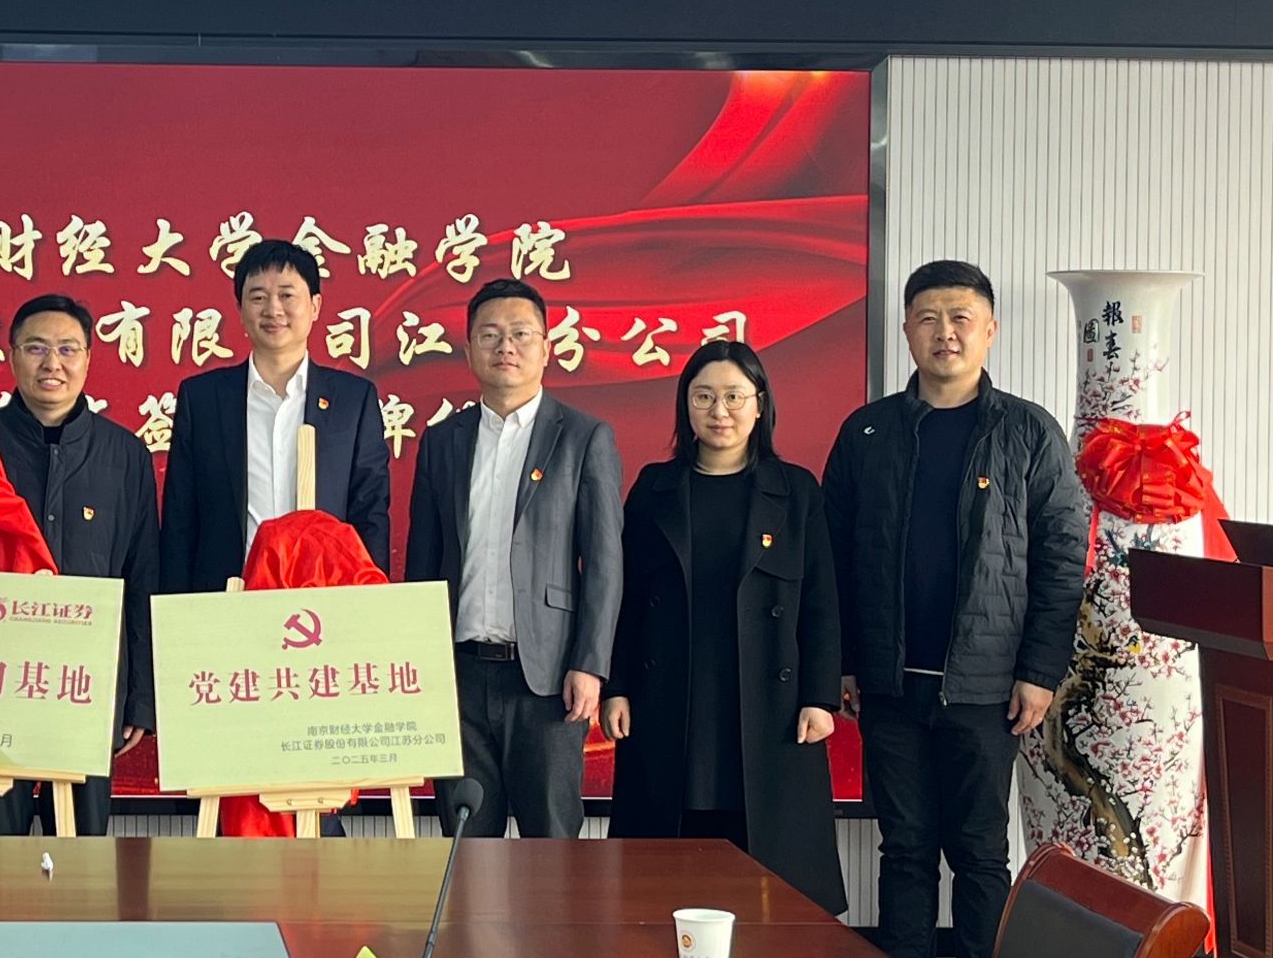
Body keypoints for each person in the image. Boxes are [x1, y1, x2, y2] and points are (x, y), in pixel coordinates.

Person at [825, 260, 1085, 958]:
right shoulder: (868, 432)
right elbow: (834, 558)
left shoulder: (1029, 432)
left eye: (960, 318)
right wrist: (842, 661)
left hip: (987, 687)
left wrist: (1039, 671)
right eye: (929, 318)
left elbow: (1063, 561)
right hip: (889, 683)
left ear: (989, 330)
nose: (945, 332)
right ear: (907, 330)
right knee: (905, 847)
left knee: (979, 851)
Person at [603, 340, 846, 914]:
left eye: (735, 396)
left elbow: (821, 601)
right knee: (664, 871)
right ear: (685, 406)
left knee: (773, 877)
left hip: (770, 703)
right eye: (704, 397)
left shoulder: (796, 491)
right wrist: (616, 686)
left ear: (760, 404)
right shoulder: (653, 489)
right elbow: (625, 599)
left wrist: (819, 697)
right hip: (671, 695)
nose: (720, 411)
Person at [0, 294, 158, 836]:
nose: (53, 363)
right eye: (36, 348)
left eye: (68, 349)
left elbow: (143, 577)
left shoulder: (125, 456)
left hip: (86, 688)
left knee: (82, 861)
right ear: (11, 355)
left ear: (89, 358)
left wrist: (139, 699)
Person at [405, 278, 622, 838]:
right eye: (490, 335)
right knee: (466, 845)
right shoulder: (443, 441)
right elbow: (423, 563)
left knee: (551, 846)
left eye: (521, 334)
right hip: (458, 676)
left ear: (546, 348)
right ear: (469, 348)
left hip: (547, 681)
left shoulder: (583, 437)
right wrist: (420, 665)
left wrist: (590, 665)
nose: (506, 346)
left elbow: (604, 565)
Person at [160, 238, 391, 593]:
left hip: (325, 599)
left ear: (315, 306)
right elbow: (180, 518)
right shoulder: (203, 398)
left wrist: (369, 601)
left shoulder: (352, 400)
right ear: (240, 309)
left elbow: (370, 511)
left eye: (287, 295)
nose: (273, 309)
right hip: (227, 598)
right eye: (258, 297)